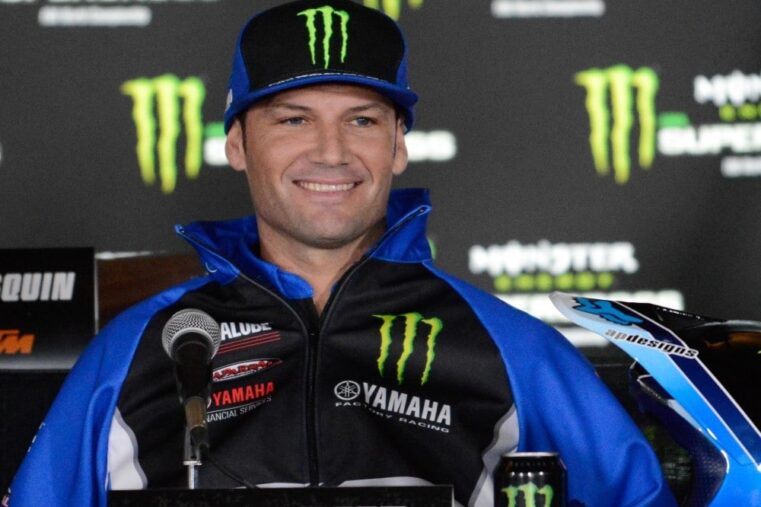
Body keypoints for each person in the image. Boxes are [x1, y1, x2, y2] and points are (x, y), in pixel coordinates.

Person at [5, 1, 676, 506]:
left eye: (361, 120)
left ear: (397, 145)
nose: (331, 152)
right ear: (237, 144)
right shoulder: (132, 352)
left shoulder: (516, 352)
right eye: (293, 119)